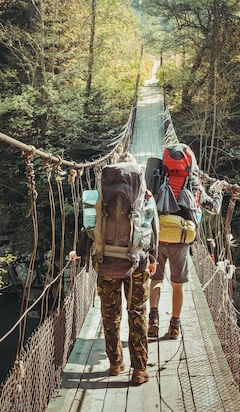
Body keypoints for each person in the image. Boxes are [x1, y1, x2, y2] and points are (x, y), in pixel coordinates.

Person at [83, 152, 159, 385]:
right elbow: (153, 230)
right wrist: (153, 258)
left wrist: (84, 252)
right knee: (137, 314)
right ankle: (139, 370)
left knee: (110, 315)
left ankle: (115, 364)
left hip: (106, 263)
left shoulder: (98, 197)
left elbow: (88, 226)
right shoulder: (145, 196)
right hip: (137, 263)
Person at [148, 178, 226, 340]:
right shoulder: (194, 185)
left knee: (156, 281)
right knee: (178, 285)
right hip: (180, 241)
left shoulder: (159, 179)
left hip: (159, 238)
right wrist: (218, 191)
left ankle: (153, 319)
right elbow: (214, 208)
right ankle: (174, 327)